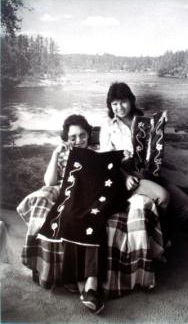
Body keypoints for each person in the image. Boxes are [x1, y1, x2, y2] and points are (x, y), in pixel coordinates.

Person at [19, 114, 124, 314]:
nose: (78, 141)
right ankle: (83, 281)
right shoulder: (65, 155)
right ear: (66, 138)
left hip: (92, 198)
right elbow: (50, 182)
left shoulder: (97, 153)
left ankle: (89, 282)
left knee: (93, 217)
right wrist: (55, 155)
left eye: (82, 136)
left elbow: (108, 180)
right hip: (71, 197)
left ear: (88, 135)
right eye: (72, 137)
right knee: (69, 217)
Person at [100, 82, 188, 240]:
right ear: (110, 105)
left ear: (131, 100)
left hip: (149, 173)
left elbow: (154, 146)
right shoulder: (108, 125)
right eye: (114, 103)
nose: (119, 107)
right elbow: (106, 160)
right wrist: (125, 177)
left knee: (186, 205)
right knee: (163, 197)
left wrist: (161, 123)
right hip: (127, 177)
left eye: (123, 101)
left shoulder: (143, 122)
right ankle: (156, 244)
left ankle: (161, 241)